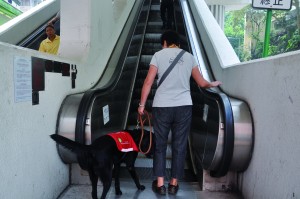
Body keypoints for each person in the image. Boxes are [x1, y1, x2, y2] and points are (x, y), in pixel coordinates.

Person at [137, 30, 221, 195]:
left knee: (160, 145)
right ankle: (174, 184)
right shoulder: (189, 57)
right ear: (178, 43)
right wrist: (212, 84)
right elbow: (201, 83)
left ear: (165, 42)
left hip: (162, 107)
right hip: (183, 107)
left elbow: (148, 82)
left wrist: (141, 105)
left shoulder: (158, 55)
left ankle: (160, 184)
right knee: (180, 145)